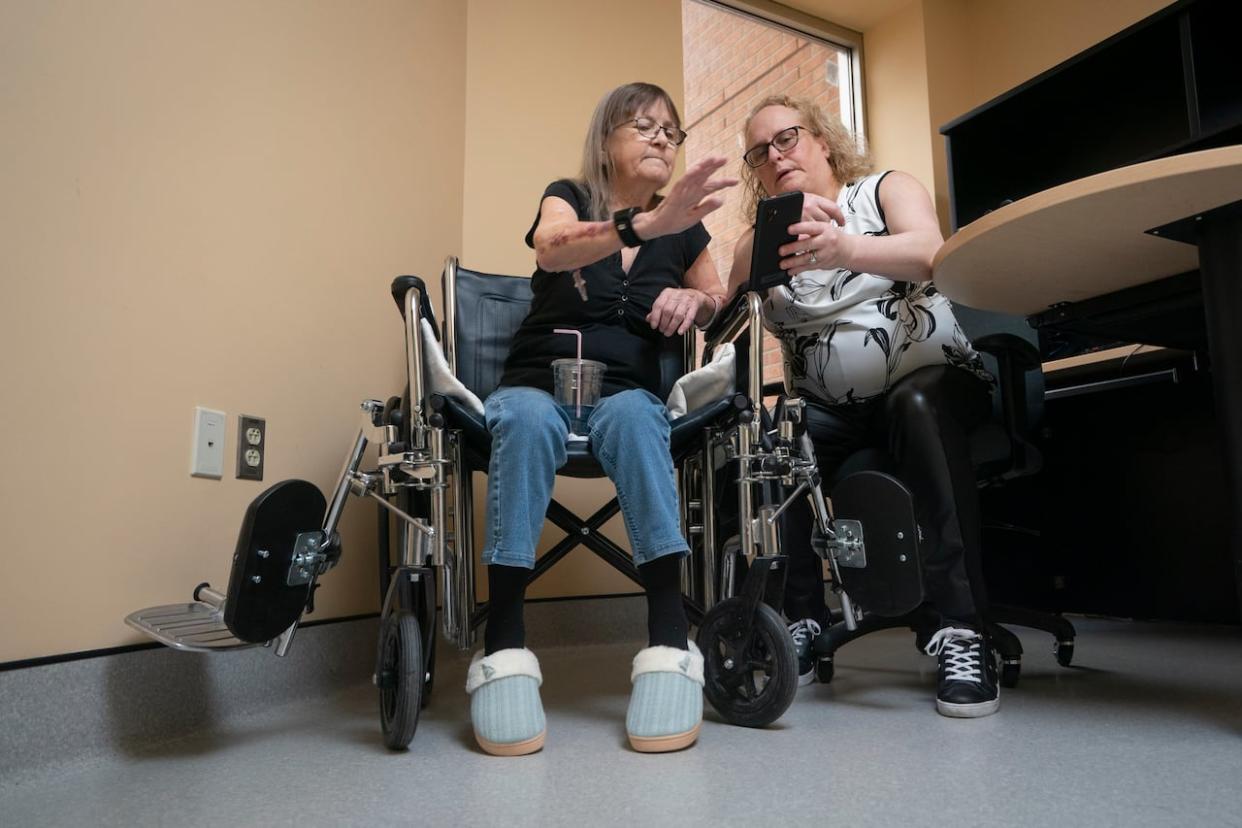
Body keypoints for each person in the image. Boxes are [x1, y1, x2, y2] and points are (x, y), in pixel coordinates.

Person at [465, 82, 736, 755]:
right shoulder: (570, 196)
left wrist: (691, 302)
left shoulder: (688, 230)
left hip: (625, 393)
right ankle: (504, 645)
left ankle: (670, 641)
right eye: (643, 124)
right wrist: (643, 223)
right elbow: (551, 248)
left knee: (642, 423)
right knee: (524, 421)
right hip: (537, 383)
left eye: (671, 132)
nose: (660, 139)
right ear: (605, 138)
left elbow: (716, 295)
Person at [726, 95, 1000, 718]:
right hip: (834, 413)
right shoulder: (760, 240)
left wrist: (845, 250)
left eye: (788, 138)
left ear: (823, 140)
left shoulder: (883, 191)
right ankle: (798, 619)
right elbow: (725, 304)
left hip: (935, 390)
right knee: (778, 437)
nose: (776, 155)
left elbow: (931, 253)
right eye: (760, 151)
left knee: (915, 404)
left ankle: (964, 631)